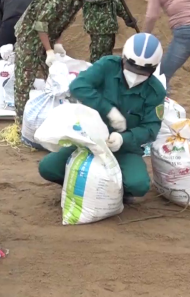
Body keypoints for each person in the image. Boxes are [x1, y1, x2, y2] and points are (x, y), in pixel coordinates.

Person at [38, 33, 165, 201]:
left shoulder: (155, 91)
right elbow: (78, 86)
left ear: (154, 69)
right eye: (132, 67)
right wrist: (108, 110)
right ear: (123, 59)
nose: (136, 74)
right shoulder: (107, 66)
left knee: (138, 185)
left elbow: (151, 129)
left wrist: (122, 138)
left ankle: (118, 193)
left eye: (144, 71)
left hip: (124, 150)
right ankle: (78, 184)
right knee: (48, 167)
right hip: (88, 141)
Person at [12, 0, 95, 120]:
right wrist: (49, 51)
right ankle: (22, 120)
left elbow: (60, 22)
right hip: (29, 36)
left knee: (53, 76)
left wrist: (57, 42)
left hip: (47, 36)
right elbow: (40, 24)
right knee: (25, 78)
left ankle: (50, 113)